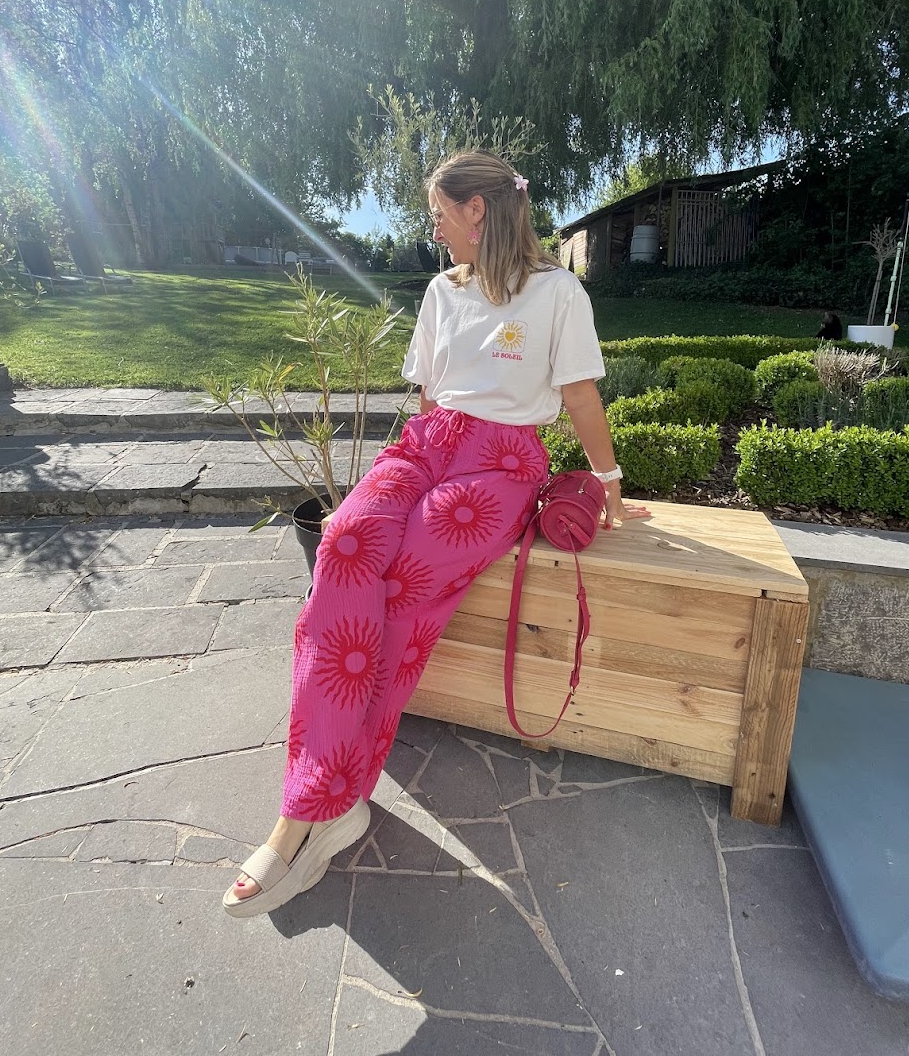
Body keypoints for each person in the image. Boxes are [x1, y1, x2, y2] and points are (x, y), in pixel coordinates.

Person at [223, 149, 651, 918]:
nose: (434, 229)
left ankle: (313, 809)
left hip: (501, 465)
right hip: (426, 447)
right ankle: (323, 798)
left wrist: (610, 486)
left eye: (439, 215)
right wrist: (409, 479)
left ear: (476, 210)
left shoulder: (556, 292)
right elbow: (428, 398)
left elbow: (580, 397)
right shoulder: (440, 290)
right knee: (343, 543)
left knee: (401, 586)